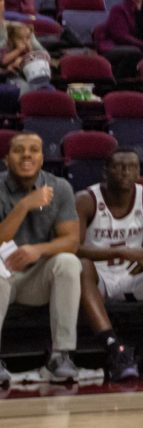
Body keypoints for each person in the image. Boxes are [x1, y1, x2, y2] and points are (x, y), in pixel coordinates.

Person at [76, 148, 143, 380]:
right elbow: (72, 248)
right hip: (99, 278)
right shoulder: (86, 200)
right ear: (105, 171)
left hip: (135, 276)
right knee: (80, 265)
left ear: (139, 172)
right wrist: (124, 252)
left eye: (132, 167)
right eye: (118, 166)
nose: (125, 172)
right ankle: (115, 349)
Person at [3, 131, 83, 382]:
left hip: (36, 279)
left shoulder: (60, 188)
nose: (26, 154)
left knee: (68, 262)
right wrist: (25, 204)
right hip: (3, 274)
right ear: (6, 159)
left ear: (42, 158)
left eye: (34, 150)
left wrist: (38, 250)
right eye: (19, 150)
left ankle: (60, 355)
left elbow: (71, 240)